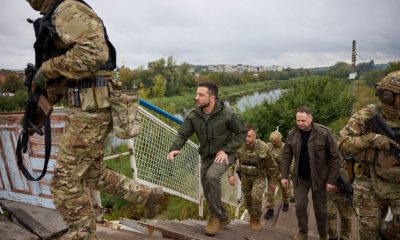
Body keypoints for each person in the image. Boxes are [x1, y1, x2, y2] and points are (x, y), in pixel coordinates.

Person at [25, 1, 163, 239]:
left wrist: (47, 69)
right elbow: (65, 76)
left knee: (63, 185)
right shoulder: (55, 14)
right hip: (86, 107)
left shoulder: (66, 8)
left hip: (91, 109)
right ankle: (148, 196)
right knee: (92, 174)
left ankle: (84, 235)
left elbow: (94, 54)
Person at [167, 81, 247, 236]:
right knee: (206, 186)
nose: (196, 97)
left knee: (212, 177)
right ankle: (223, 216)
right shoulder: (194, 115)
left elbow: (242, 134)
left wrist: (226, 150)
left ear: (212, 98)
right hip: (206, 155)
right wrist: (174, 149)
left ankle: (214, 217)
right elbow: (183, 134)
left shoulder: (228, 114)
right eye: (197, 94)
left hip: (224, 154)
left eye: (201, 95)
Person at [338, 71, 400, 239]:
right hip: (369, 180)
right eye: (391, 96)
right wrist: (371, 139)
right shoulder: (368, 115)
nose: (396, 101)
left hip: (397, 182)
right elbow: (342, 143)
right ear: (383, 94)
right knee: (369, 230)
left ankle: (386, 232)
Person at [281, 107, 341, 240]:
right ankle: (303, 232)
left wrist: (331, 180)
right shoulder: (292, 134)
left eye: (303, 120)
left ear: (311, 118)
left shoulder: (324, 133)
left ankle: (323, 235)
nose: (300, 123)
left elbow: (336, 157)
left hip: (320, 178)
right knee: (300, 205)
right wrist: (284, 176)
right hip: (300, 177)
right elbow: (286, 155)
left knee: (321, 209)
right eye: (298, 120)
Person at [227, 127, 278, 230]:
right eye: (245, 136)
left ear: (254, 136)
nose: (246, 138)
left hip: (259, 177)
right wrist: (231, 175)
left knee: (256, 197)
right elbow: (231, 160)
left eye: (249, 136)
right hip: (245, 177)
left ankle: (256, 219)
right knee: (248, 199)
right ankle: (252, 215)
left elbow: (272, 165)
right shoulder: (239, 145)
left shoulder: (263, 147)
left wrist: (272, 182)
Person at [267, 130, 294, 213]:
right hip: (272, 173)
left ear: (280, 139)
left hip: (283, 172)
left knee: (285, 189)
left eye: (276, 141)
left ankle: (286, 202)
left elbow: (292, 162)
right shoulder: (268, 146)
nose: (274, 143)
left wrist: (286, 174)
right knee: (270, 191)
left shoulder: (286, 148)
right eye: (272, 141)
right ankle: (270, 209)